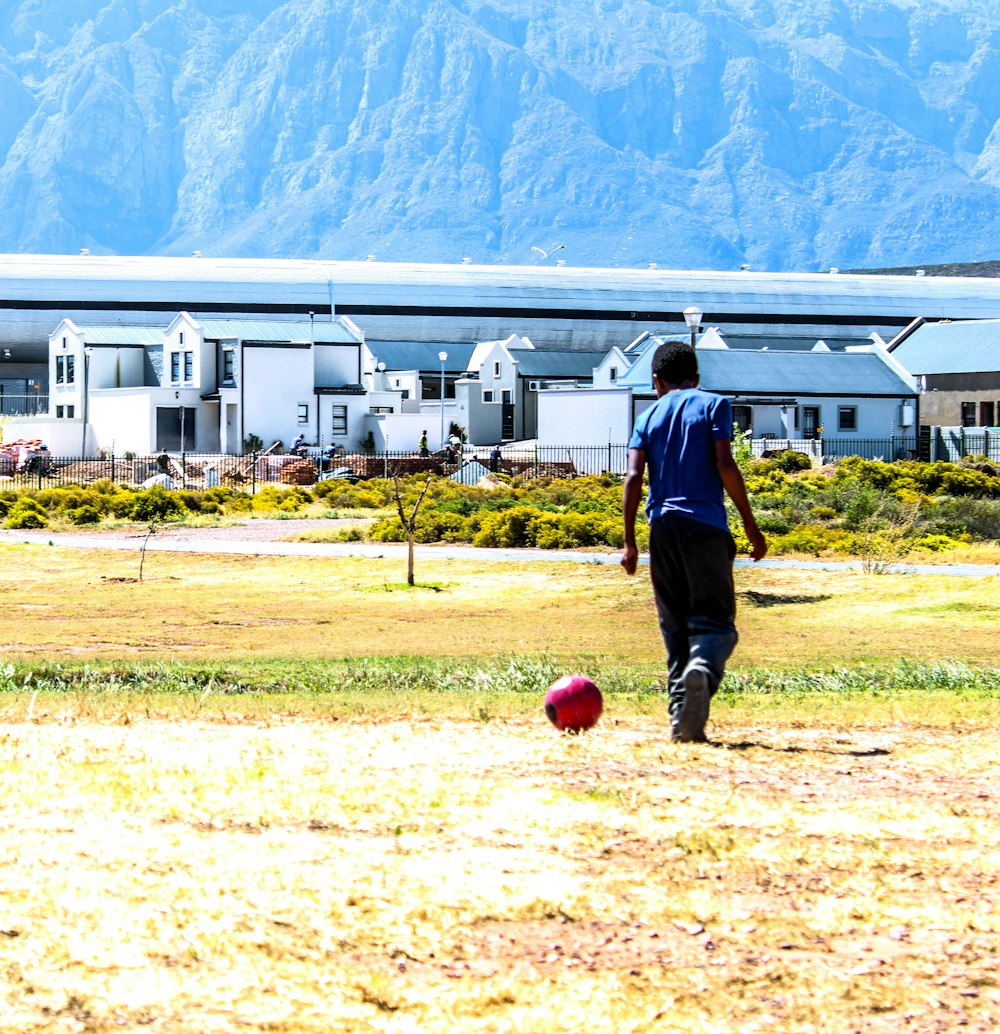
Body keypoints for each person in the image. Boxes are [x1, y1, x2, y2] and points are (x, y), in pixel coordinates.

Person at [621, 340, 767, 744]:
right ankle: (702, 666)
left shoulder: (647, 416)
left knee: (675, 628)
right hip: (705, 527)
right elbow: (724, 463)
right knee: (715, 624)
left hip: (661, 530)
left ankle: (680, 721)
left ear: (656, 381)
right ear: (697, 378)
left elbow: (633, 478)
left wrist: (629, 542)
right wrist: (751, 527)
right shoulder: (714, 405)